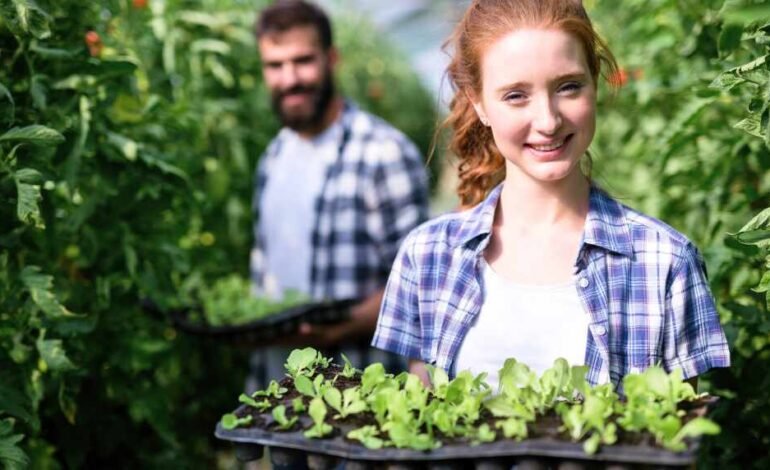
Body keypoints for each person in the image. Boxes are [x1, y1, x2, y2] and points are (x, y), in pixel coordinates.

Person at [372, 0, 730, 392]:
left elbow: (676, 427)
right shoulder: (427, 257)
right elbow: (418, 419)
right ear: (479, 103)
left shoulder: (664, 262)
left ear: (595, 82)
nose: (547, 120)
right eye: (516, 95)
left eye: (568, 87)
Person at [247, 0, 430, 389]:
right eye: (275, 65)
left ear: (332, 59)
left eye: (303, 61)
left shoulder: (383, 153)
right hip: (277, 388)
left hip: (357, 390)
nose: (289, 78)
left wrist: (340, 329)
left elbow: (417, 285)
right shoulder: (272, 158)